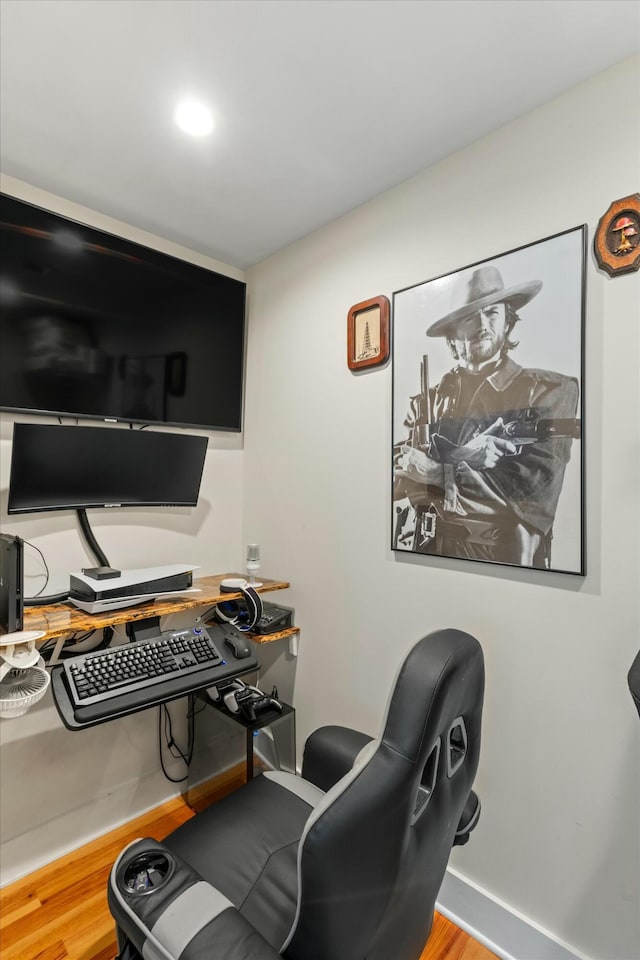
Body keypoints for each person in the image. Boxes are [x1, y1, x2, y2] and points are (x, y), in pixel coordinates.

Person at [393, 264, 579, 568]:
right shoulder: (426, 401)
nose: (482, 324)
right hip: (423, 557)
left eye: (492, 312)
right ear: (451, 336)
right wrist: (468, 464)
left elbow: (530, 494)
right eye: (469, 316)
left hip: (501, 565)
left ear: (507, 323)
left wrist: (436, 473)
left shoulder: (547, 392)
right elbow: (398, 476)